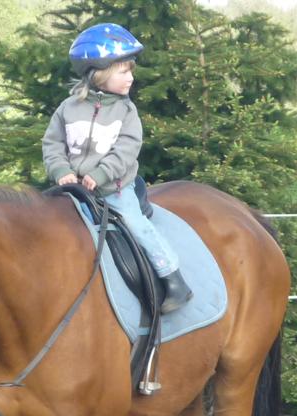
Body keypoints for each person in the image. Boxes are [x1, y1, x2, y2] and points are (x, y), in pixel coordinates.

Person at [42, 23, 193, 314]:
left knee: (136, 224)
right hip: (73, 189)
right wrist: (61, 171)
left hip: (114, 188)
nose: (131, 78)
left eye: (130, 71)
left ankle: (172, 277)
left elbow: (127, 148)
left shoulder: (126, 111)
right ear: (99, 73)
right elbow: (52, 143)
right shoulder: (68, 108)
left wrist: (100, 174)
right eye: (123, 72)